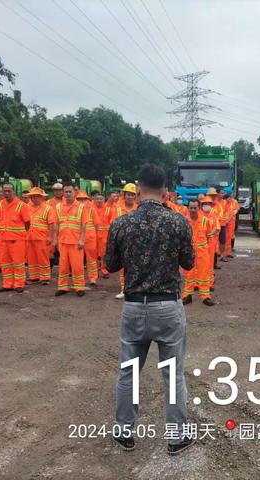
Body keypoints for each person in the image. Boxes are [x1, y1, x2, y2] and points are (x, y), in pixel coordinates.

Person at [105, 163, 195, 455]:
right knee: (173, 373)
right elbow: (190, 263)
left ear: (139, 188)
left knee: (128, 371)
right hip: (167, 306)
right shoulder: (178, 222)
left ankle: (124, 432)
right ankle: (176, 436)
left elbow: (111, 265)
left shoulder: (121, 223)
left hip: (133, 306)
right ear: (166, 190)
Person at [0, 183, 30, 293]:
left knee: (18, 263)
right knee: (5, 263)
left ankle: (19, 284)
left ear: (14, 192)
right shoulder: (0, 205)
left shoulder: (21, 205)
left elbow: (27, 222)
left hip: (17, 240)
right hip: (4, 239)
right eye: (4, 191)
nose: (6, 193)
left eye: (9, 191)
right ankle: (7, 284)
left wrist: (20, 234)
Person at [55, 184, 87, 297]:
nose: (68, 194)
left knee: (77, 266)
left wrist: (82, 240)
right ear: (63, 193)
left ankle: (79, 287)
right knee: (63, 266)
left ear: (75, 193)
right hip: (63, 240)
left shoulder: (81, 207)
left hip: (75, 241)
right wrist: (56, 239)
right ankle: (63, 287)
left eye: (70, 192)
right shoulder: (58, 207)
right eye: (66, 192)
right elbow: (57, 224)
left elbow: (84, 225)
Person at [182, 199, 215, 306]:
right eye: (191, 208)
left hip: (203, 253)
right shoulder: (184, 221)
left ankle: (205, 297)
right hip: (189, 253)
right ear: (188, 208)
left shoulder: (206, 221)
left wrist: (208, 253)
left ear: (199, 208)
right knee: (188, 275)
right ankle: (187, 296)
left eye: (195, 207)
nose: (192, 210)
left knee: (204, 275)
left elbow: (210, 238)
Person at [108, 183, 137, 299]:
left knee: (135, 266)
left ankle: (135, 289)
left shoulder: (138, 208)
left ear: (135, 196)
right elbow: (113, 225)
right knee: (123, 267)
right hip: (123, 242)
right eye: (128, 195)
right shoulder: (117, 209)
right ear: (124, 195)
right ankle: (124, 289)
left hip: (136, 242)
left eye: (132, 195)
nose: (129, 197)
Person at [27, 187, 56, 285]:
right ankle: (34, 276)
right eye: (32, 197)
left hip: (42, 237)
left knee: (43, 258)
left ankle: (45, 277)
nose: (33, 199)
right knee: (31, 258)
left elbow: (51, 224)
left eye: (36, 197)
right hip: (30, 237)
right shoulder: (28, 207)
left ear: (42, 197)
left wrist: (50, 237)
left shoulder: (48, 208)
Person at [76, 190, 100, 286]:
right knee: (78, 259)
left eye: (84, 200)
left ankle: (93, 278)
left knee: (91, 259)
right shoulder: (75, 209)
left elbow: (96, 224)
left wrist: (95, 235)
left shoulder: (91, 209)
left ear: (88, 200)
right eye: (79, 200)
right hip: (77, 236)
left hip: (90, 237)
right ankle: (79, 278)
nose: (82, 202)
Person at [200, 196, 219, 290]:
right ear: (202, 205)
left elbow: (217, 228)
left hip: (211, 243)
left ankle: (209, 283)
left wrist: (209, 234)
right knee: (199, 264)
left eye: (208, 204)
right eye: (205, 204)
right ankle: (198, 283)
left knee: (209, 264)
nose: (206, 206)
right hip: (201, 244)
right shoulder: (199, 215)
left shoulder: (213, 216)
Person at [92, 191, 111, 278]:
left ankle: (104, 270)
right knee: (93, 254)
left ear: (104, 199)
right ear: (94, 199)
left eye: (101, 199)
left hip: (104, 235)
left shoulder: (109, 209)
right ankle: (94, 273)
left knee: (104, 254)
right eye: (97, 199)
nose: (99, 200)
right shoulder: (91, 209)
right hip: (93, 235)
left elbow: (112, 222)